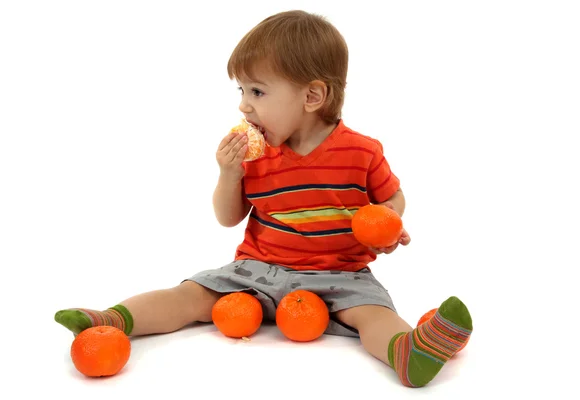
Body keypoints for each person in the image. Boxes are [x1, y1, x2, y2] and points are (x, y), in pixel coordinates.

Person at [55, 10, 472, 388]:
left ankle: (408, 352)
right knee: (189, 296)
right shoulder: (257, 155)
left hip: (340, 275)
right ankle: (111, 320)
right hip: (257, 271)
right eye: (241, 90)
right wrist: (229, 173)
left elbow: (392, 198)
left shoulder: (361, 151)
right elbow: (228, 218)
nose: (243, 105)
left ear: (312, 97)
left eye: (257, 92)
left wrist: (388, 225)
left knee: (372, 314)